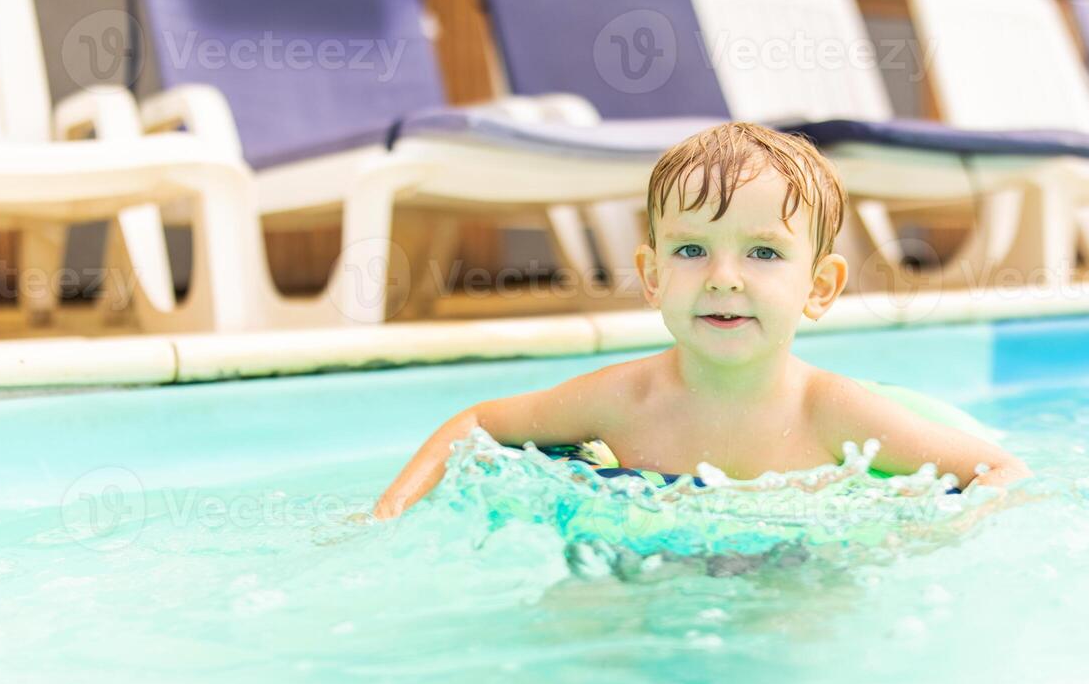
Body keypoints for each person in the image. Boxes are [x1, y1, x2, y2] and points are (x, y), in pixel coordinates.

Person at [373, 122, 1029, 520]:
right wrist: (388, 510)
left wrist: (934, 528)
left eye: (764, 252)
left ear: (819, 287)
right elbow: (478, 423)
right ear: (653, 276)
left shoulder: (834, 415)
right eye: (690, 250)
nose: (723, 277)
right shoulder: (622, 402)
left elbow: (1000, 472)